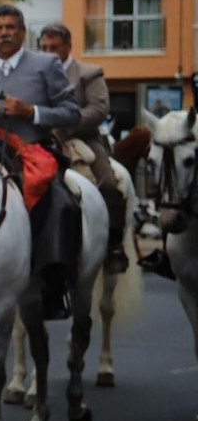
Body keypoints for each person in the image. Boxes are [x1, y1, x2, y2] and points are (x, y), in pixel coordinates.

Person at [0, 3, 82, 317]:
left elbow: (72, 112)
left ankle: (53, 288)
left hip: (34, 156)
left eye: (11, 27)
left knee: (62, 204)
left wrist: (33, 112)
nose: (4, 33)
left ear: (23, 32)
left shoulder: (46, 64)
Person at [37, 21, 128, 272]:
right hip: (43, 140)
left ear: (68, 46)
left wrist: (63, 126)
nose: (48, 53)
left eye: (54, 47)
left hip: (84, 138)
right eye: (44, 47)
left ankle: (114, 245)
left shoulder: (88, 73)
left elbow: (99, 108)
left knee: (109, 182)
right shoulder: (36, 72)